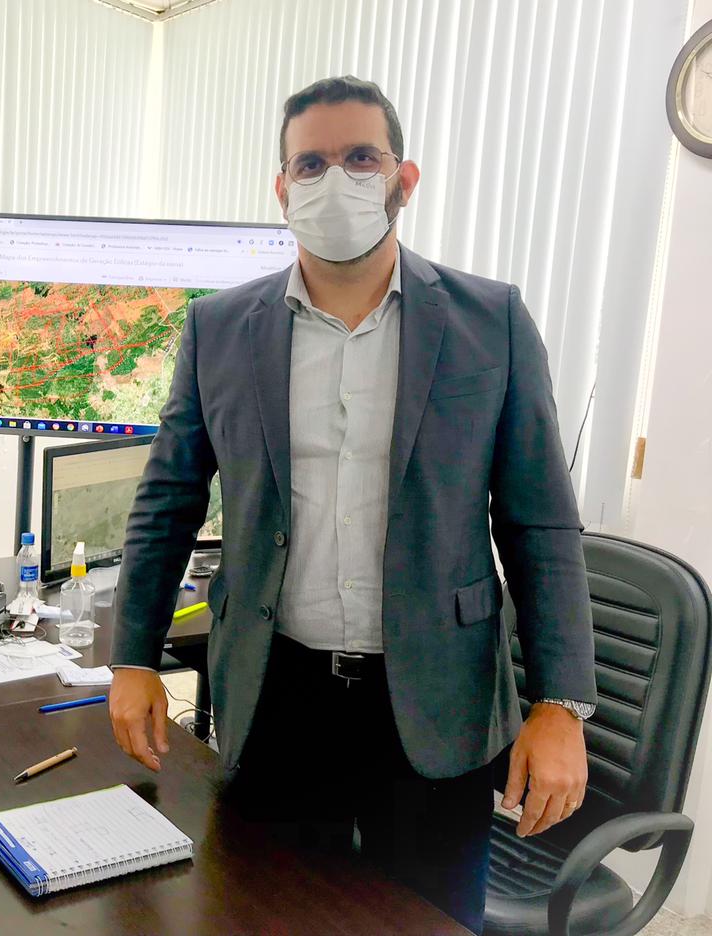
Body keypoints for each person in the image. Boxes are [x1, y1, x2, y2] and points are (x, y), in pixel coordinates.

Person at [107, 76, 596, 934]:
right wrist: (133, 657)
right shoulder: (219, 328)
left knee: (427, 923)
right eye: (312, 163)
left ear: (404, 179)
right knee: (264, 915)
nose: (336, 180)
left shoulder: (492, 320)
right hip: (276, 693)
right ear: (282, 188)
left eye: (361, 158)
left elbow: (539, 522)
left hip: (438, 699)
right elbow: (168, 500)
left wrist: (561, 703)